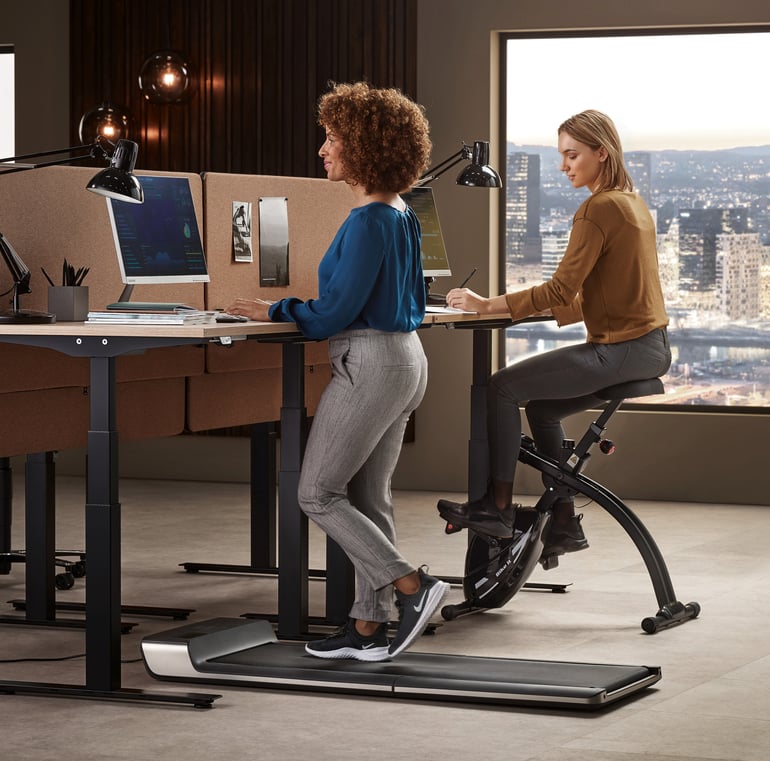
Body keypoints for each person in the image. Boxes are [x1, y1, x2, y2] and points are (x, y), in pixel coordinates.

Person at [226, 82, 449, 661]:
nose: (323, 149)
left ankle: (412, 586)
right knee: (369, 498)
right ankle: (368, 626)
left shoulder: (368, 220)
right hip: (406, 358)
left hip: (371, 361)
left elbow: (331, 317)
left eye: (333, 138)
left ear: (365, 147)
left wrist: (275, 309)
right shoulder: (402, 215)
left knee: (317, 492)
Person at [437, 109, 671, 559]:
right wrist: (512, 312)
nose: (564, 165)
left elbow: (561, 288)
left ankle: (497, 510)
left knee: (501, 387)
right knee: (543, 411)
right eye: (560, 155)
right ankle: (563, 521)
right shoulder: (632, 203)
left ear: (601, 153)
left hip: (622, 350)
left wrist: (490, 306)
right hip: (649, 348)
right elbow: (594, 298)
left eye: (572, 154)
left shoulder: (598, 208)